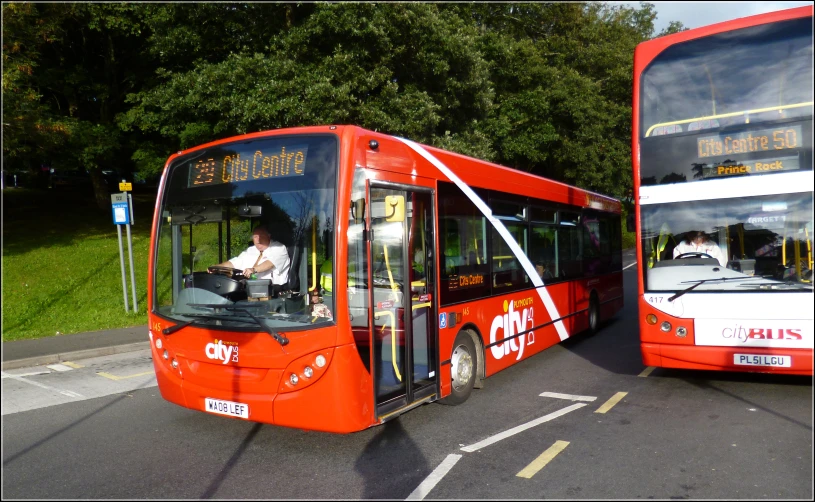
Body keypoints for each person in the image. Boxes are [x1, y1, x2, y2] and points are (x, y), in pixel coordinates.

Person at [210, 225, 291, 285]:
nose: (258, 240)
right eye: (255, 237)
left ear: (268, 236)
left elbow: (270, 263)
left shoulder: (279, 248)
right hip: (247, 287)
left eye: (261, 236)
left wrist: (253, 270)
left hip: (270, 289)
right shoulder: (250, 250)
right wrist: (217, 267)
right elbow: (235, 262)